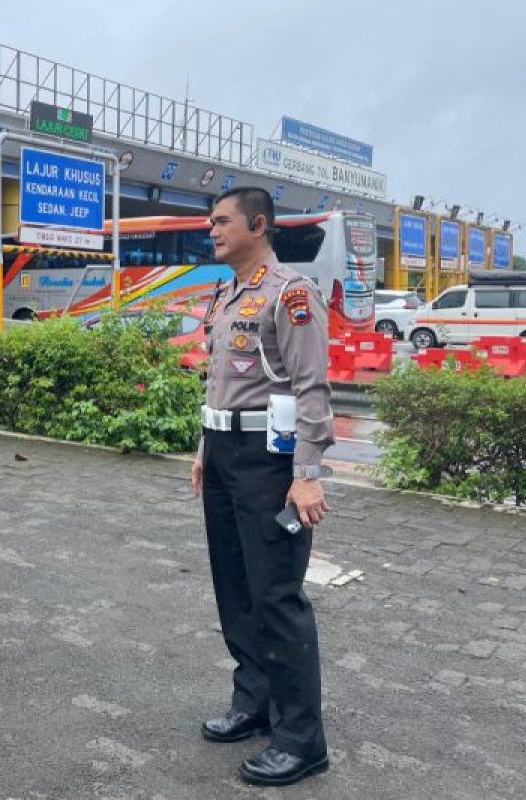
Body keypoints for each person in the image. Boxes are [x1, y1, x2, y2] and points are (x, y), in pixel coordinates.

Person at [191, 187, 334, 787]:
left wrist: (307, 475)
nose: (213, 230)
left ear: (258, 224)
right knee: (235, 588)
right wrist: (206, 450)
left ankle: (301, 740)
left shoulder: (290, 293)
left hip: (269, 463)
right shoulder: (226, 294)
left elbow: (311, 387)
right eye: (211, 222)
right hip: (225, 454)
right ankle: (253, 702)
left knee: (276, 596)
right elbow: (221, 381)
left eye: (222, 221)